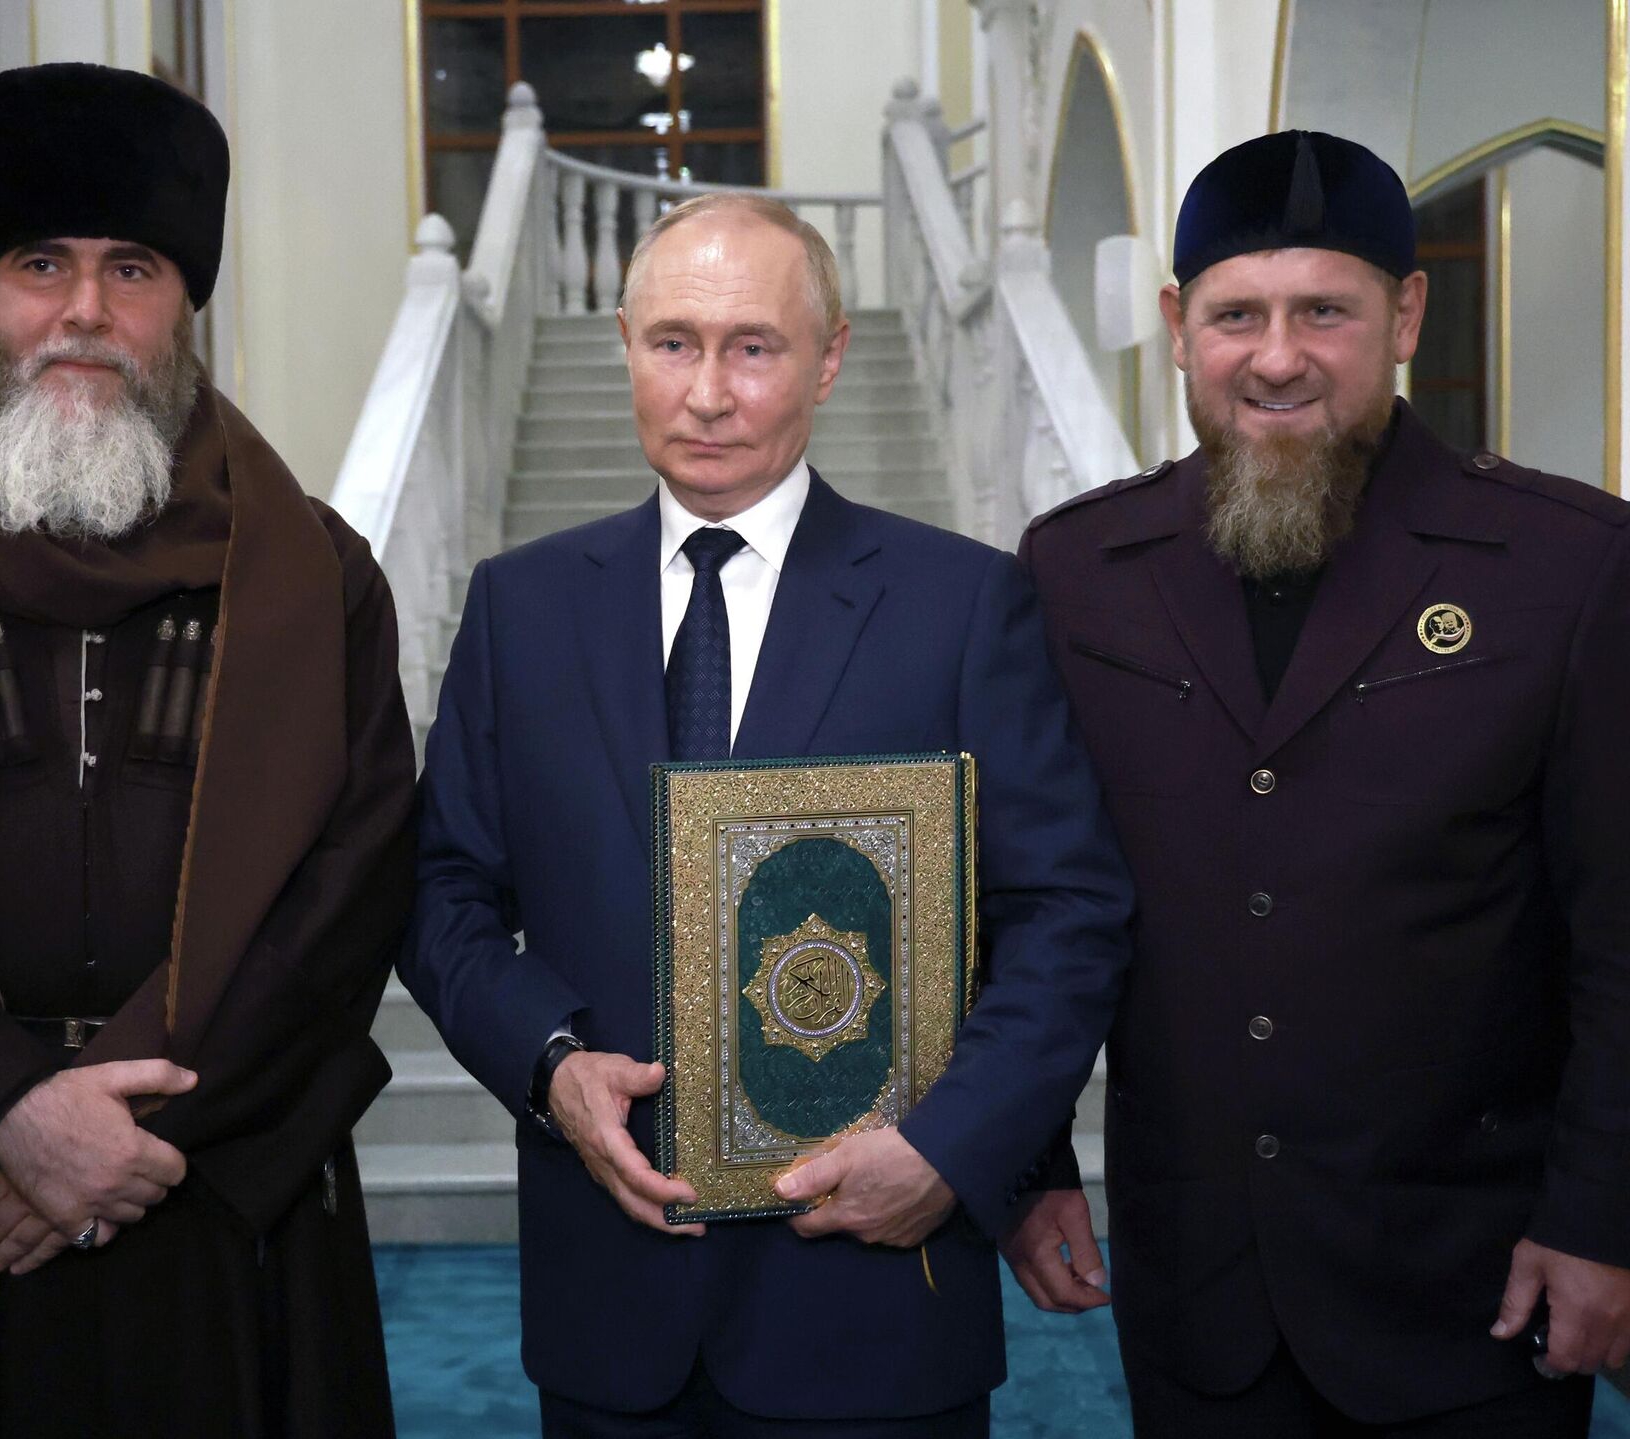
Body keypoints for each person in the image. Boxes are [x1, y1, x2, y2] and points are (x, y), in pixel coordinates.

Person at [0, 63, 414, 1437]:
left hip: (220, 1200)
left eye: (132, 268)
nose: (86, 309)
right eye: (41, 263)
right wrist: (6, 1113)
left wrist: (117, 1139)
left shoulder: (318, 578)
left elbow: (346, 897)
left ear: (185, 308)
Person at [403, 192, 1134, 1435]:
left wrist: (950, 1148)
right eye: (672, 342)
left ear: (829, 358)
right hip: (611, 1299)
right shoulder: (521, 606)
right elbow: (442, 890)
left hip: (874, 1295)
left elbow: (1067, 911)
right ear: (625, 345)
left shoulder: (961, 603)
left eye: (753, 346)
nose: (707, 392)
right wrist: (551, 1064)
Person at [1011, 129, 1630, 1436]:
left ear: (1405, 316)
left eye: (1325, 311)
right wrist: (1033, 1156)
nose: (1278, 356)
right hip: (1197, 1285)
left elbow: (1622, 934)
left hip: (1470, 1281)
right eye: (1237, 314)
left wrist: (1601, 1217)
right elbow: (1028, 899)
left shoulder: (1568, 566)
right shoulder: (1077, 574)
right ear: (1179, 327)